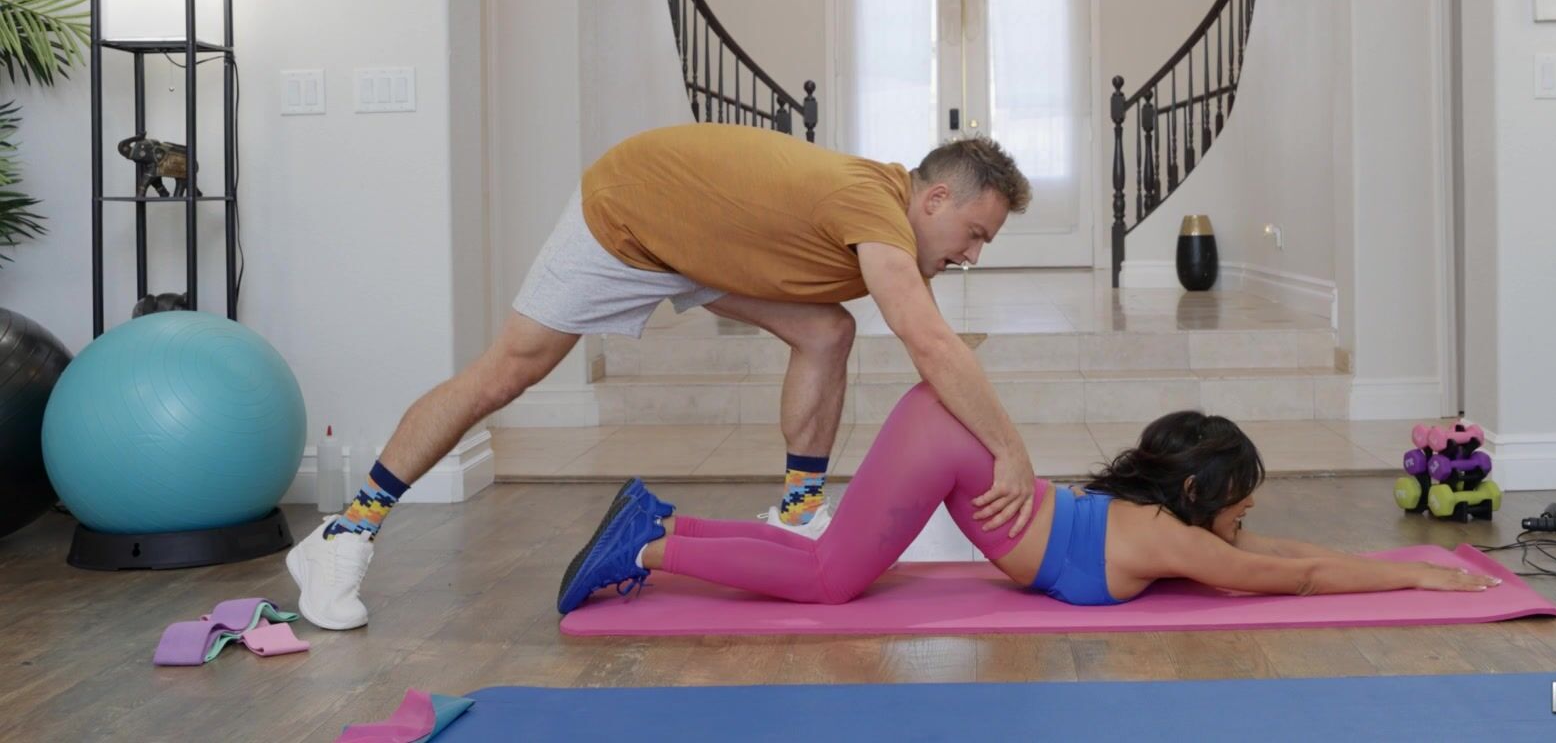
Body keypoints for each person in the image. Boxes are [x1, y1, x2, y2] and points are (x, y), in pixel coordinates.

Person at [289, 123, 1039, 630]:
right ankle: (346, 531)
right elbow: (929, 344)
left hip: (693, 236)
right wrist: (1009, 451)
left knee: (825, 330)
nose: (973, 254)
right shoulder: (871, 207)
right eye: (974, 233)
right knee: (508, 373)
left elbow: (930, 342)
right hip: (627, 215)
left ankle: (798, 511)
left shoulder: (890, 216)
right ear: (934, 199)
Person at [555, 384, 1501, 614]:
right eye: (1239, 503)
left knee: (825, 556)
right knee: (831, 577)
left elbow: (1277, 553)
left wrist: (1391, 563)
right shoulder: (1179, 541)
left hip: (946, 437)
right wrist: (1415, 580)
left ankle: (666, 521)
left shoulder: (1168, 526)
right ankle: (644, 549)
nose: (1245, 519)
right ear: (1196, 491)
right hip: (948, 445)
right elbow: (1293, 579)